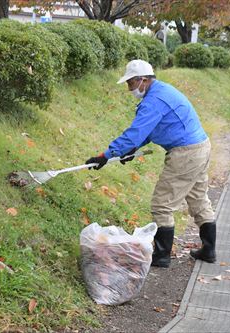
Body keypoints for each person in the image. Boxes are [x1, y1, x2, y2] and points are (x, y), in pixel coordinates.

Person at [85, 59, 216, 268]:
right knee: (199, 198)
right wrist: (132, 149)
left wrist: (105, 155)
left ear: (143, 80)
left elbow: (135, 133)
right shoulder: (162, 92)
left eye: (130, 84)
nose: (130, 89)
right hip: (200, 147)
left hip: (186, 153)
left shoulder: (154, 101)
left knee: (161, 205)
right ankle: (209, 251)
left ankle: (162, 257)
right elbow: (150, 130)